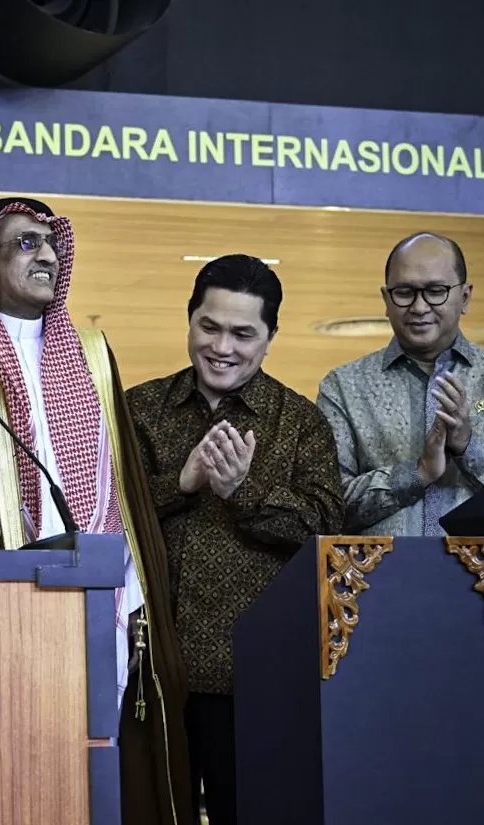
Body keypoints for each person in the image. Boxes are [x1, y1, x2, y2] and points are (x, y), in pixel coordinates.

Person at [0, 197, 192, 825]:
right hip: (14, 586)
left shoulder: (89, 349)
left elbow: (120, 471)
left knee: (105, 750)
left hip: (103, 582)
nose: (47, 255)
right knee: (27, 754)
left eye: (51, 242)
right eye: (25, 243)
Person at [125, 254, 343, 825]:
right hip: (148, 671)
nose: (222, 347)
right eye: (210, 326)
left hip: (254, 678)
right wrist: (181, 483)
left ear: (270, 338)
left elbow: (326, 532)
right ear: (189, 319)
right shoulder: (138, 410)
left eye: (243, 334)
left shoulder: (300, 422)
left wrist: (244, 493)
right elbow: (101, 515)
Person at [317, 231, 484, 537]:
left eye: (435, 291)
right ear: (386, 300)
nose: (419, 307)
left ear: (465, 297)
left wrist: (469, 446)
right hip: (378, 567)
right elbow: (327, 510)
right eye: (404, 292)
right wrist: (418, 473)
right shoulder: (343, 387)